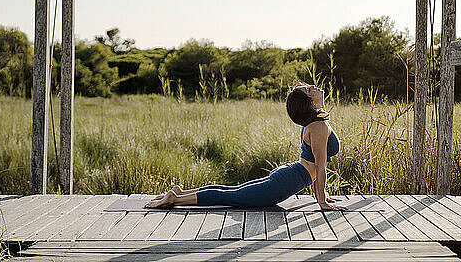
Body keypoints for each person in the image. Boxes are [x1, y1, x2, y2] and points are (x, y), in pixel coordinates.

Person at [144, 83, 347, 211]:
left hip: (290, 176)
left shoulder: (317, 123)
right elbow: (320, 166)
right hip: (285, 182)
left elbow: (315, 164)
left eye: (309, 87)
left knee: (232, 191)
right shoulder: (318, 126)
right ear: (310, 103)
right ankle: (176, 199)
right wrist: (321, 201)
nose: (314, 87)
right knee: (232, 195)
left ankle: (180, 194)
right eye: (309, 90)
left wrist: (323, 195)